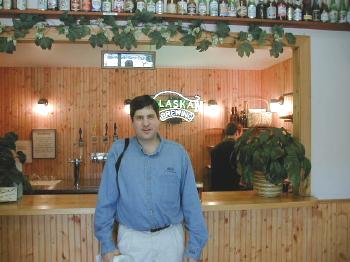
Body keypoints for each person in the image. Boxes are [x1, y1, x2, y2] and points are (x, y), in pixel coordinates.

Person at [94, 95, 208, 262]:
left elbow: (191, 204)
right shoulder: (118, 152)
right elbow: (106, 201)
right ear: (132, 121)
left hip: (170, 240)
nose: (145, 123)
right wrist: (107, 245)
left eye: (150, 117)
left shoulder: (178, 154)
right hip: (131, 239)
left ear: (158, 119)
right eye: (139, 117)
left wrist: (194, 248)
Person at [210, 122, 243, 191]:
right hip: (235, 189)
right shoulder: (239, 149)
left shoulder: (215, 149)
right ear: (237, 133)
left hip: (217, 189)